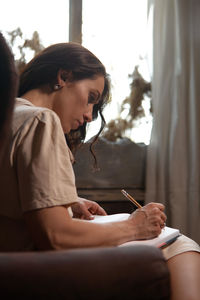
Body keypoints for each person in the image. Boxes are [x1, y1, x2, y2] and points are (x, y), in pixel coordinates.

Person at [0, 40, 199, 300]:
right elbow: (55, 235)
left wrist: (66, 201)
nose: (90, 116)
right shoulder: (41, 119)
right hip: (36, 265)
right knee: (180, 244)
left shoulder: (10, 117)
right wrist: (134, 227)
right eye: (91, 98)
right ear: (63, 77)